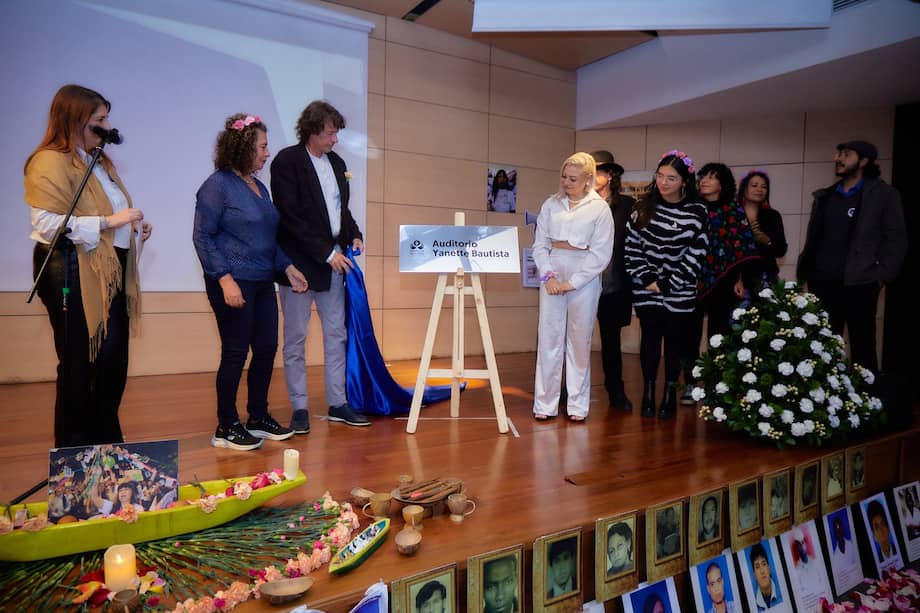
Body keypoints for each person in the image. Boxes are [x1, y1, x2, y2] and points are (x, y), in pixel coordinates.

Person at [25, 84, 152, 448]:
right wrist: (110, 223)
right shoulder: (49, 160)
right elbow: (47, 224)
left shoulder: (98, 162)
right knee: (80, 365)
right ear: (76, 119)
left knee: (113, 362)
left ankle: (107, 444)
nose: (107, 125)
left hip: (108, 272)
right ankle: (74, 454)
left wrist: (133, 228)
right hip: (70, 270)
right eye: (100, 119)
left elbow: (109, 216)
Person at [193, 113, 306, 450]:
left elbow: (266, 239)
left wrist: (287, 267)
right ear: (243, 147)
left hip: (261, 281)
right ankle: (226, 425)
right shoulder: (217, 185)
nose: (267, 153)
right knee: (235, 352)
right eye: (262, 146)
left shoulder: (259, 186)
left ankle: (257, 417)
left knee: (267, 348)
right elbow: (202, 237)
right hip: (233, 281)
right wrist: (225, 279)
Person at [271, 100, 368, 432]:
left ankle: (338, 403)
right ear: (311, 131)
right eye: (329, 133)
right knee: (296, 339)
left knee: (336, 335)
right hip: (298, 267)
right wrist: (328, 252)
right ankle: (299, 407)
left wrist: (353, 234)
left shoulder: (337, 163)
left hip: (332, 263)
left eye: (336, 133)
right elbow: (290, 218)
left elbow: (341, 211)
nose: (335, 140)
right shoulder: (287, 161)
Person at [797, 140, 907, 375]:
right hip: (823, 283)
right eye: (838, 153)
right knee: (822, 349)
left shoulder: (884, 195)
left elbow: (896, 240)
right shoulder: (825, 196)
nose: (838, 158)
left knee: (863, 349)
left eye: (846, 154)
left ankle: (865, 406)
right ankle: (824, 406)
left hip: (860, 284)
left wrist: (881, 276)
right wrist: (808, 273)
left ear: (864, 161)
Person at [532, 152, 614, 422]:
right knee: (549, 339)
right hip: (553, 270)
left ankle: (577, 406)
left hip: (585, 275)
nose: (566, 182)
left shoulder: (600, 209)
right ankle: (545, 405)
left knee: (579, 341)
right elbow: (539, 246)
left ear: (588, 179)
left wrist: (573, 282)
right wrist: (549, 278)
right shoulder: (550, 205)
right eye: (564, 177)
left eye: (573, 178)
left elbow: (601, 254)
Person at [625, 150, 708, 419]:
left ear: (685, 181)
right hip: (646, 288)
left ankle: (670, 394)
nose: (663, 182)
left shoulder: (697, 211)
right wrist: (648, 278)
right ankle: (648, 393)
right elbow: (631, 247)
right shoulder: (641, 207)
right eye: (660, 176)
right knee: (649, 340)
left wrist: (672, 282)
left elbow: (698, 252)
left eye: (671, 178)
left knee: (674, 344)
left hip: (679, 290)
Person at [681, 163, 756, 405]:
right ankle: (690, 385)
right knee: (689, 336)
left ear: (722, 183)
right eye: (703, 176)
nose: (704, 180)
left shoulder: (733, 211)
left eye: (712, 177)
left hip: (724, 280)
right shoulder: (692, 208)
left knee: (719, 336)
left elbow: (744, 248)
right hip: (691, 279)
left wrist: (742, 279)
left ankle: (716, 386)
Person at [591, 150, 635, 411]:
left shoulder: (627, 206)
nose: (592, 176)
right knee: (578, 342)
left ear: (610, 175)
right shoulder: (579, 204)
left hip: (614, 284)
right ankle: (570, 389)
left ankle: (616, 390)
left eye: (597, 170)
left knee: (611, 341)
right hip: (582, 284)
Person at [738, 169, 787, 287]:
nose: (759, 190)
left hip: (766, 278)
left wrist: (767, 240)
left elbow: (781, 250)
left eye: (764, 187)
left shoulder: (773, 216)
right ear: (744, 189)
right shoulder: (733, 215)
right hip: (737, 279)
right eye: (754, 185)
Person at [749, 543, 781, 610]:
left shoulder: (782, 592)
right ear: (754, 575)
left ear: (769, 569)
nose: (762, 571)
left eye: (764, 564)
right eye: (757, 567)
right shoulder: (753, 605)